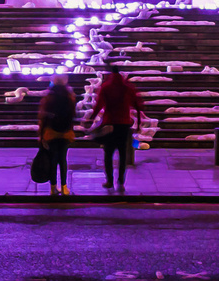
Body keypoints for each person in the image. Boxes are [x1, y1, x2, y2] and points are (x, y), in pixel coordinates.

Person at [84, 64, 145, 192]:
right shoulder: (128, 88)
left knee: (108, 154)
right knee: (123, 154)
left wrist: (91, 118)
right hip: (124, 124)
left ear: (111, 74)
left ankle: (109, 181)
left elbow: (99, 104)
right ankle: (121, 182)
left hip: (110, 124)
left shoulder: (106, 87)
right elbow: (138, 105)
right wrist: (138, 123)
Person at [37, 73, 78, 197]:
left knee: (53, 159)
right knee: (63, 159)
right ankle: (64, 187)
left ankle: (53, 188)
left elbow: (43, 116)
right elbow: (73, 115)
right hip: (65, 132)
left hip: (51, 132)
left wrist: (41, 133)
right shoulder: (70, 97)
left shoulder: (48, 97)